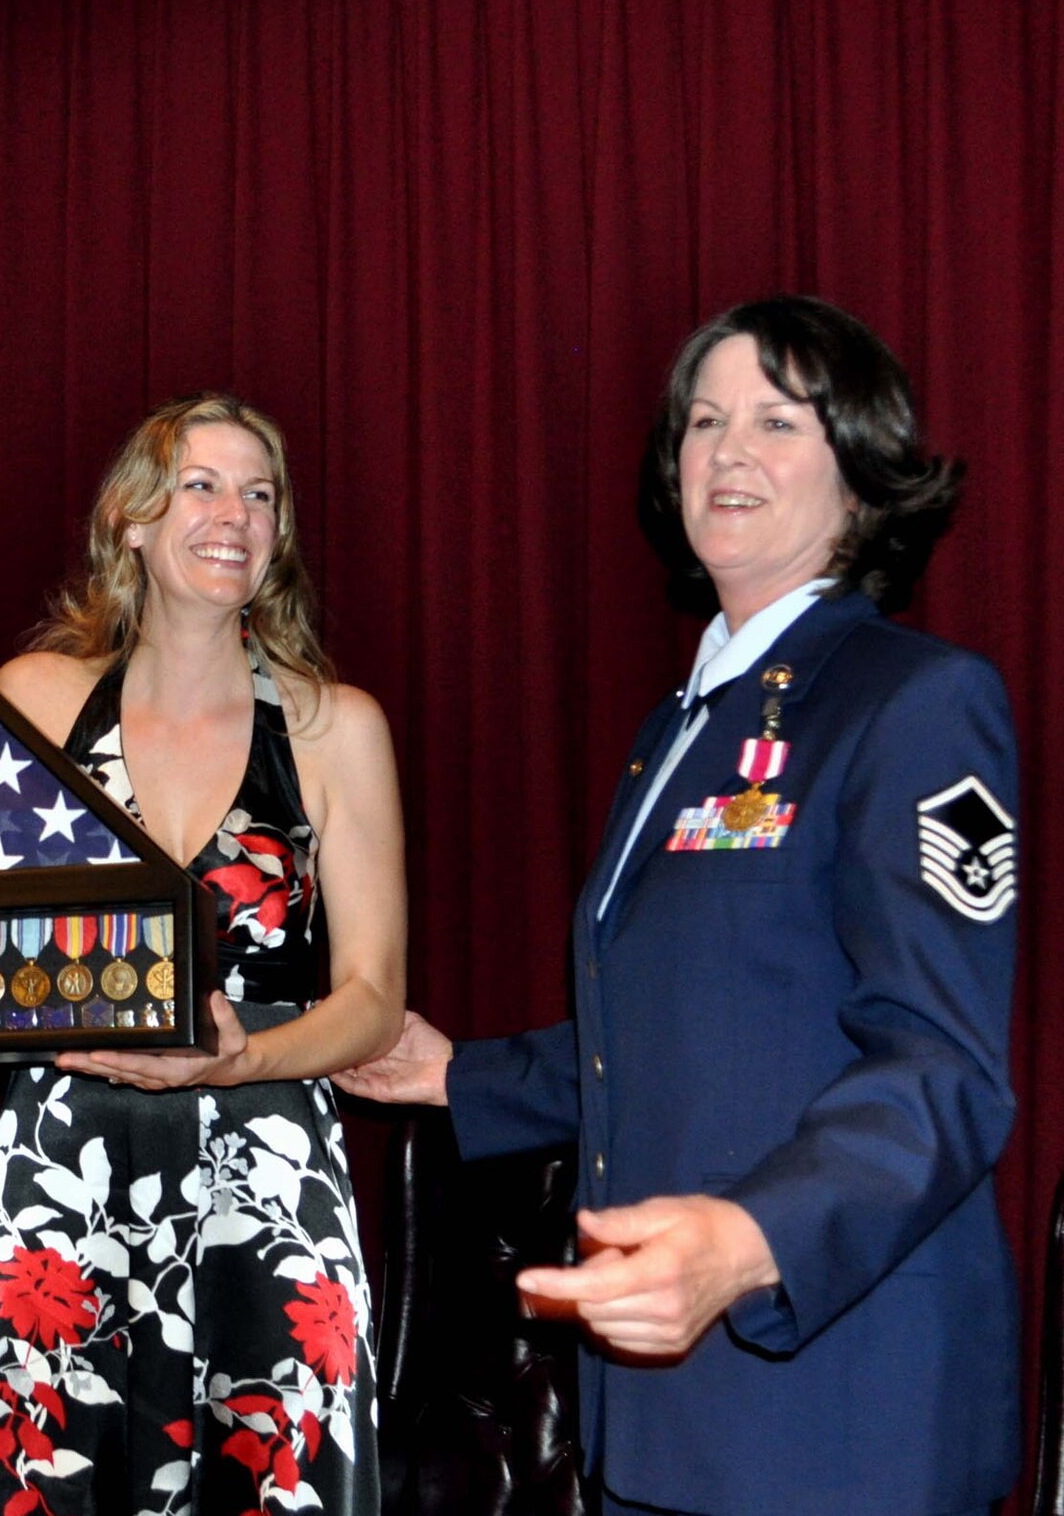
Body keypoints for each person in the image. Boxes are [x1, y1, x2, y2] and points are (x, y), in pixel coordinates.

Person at [336, 296, 1019, 1516]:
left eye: (776, 421)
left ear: (861, 473)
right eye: (702, 421)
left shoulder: (913, 703)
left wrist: (748, 1243)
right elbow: (686, 1025)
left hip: (837, 1413)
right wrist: (457, 1076)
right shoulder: (680, 730)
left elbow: (941, 1071)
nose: (725, 450)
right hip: (664, 1419)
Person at [0, 394, 407, 1514]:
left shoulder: (335, 725)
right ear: (134, 519)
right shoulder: (35, 697)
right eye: (201, 486)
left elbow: (374, 998)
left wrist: (240, 1060)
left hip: (267, 1181)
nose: (235, 515)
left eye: (260, 494)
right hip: (65, 1176)